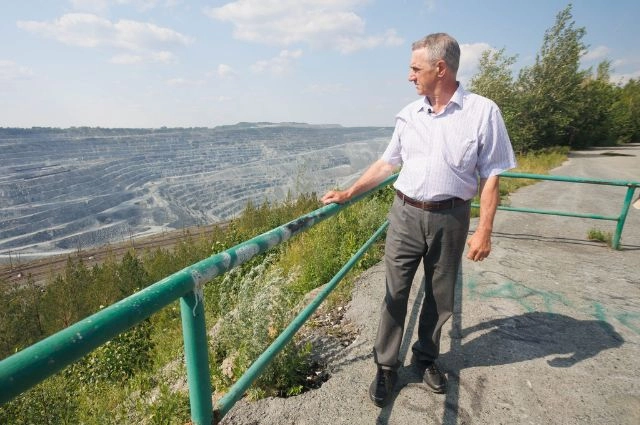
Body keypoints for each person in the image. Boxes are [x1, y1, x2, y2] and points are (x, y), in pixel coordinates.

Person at [321, 33, 516, 408]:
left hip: (452, 218)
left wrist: (484, 230)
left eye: (415, 68)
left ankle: (425, 358)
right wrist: (349, 192)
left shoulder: (482, 112)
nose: (410, 76)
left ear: (439, 68)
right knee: (395, 291)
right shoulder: (409, 115)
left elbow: (492, 174)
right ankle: (386, 366)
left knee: (440, 297)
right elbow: (387, 163)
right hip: (406, 214)